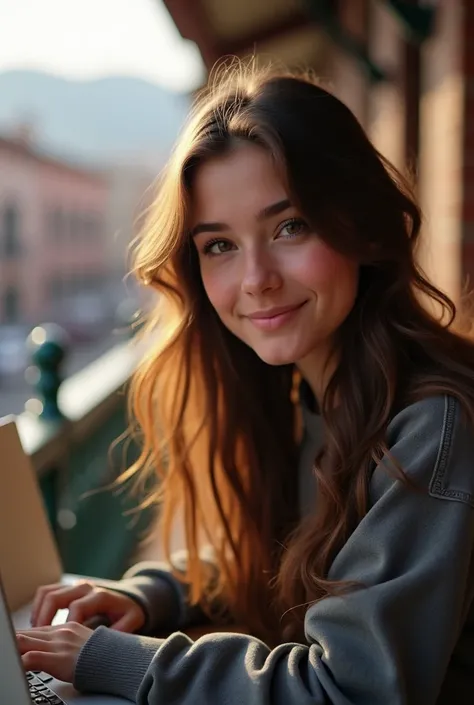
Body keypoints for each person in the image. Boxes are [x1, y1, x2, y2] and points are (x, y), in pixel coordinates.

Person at [17, 63, 474, 705]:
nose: (255, 278)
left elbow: (351, 690)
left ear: (362, 227)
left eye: (291, 227)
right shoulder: (312, 394)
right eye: (219, 246)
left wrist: (128, 664)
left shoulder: (433, 425)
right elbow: (302, 563)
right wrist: (155, 596)